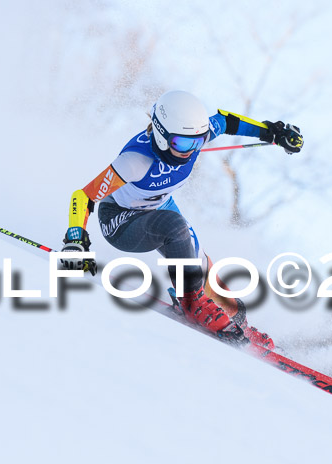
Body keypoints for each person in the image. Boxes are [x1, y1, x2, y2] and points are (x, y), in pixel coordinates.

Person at [58, 90, 303, 348]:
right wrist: (76, 240)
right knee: (174, 227)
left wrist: (273, 132)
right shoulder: (135, 161)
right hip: (120, 219)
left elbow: (227, 121)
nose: (191, 151)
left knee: (202, 266)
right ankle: (191, 302)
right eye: (184, 144)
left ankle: (238, 324)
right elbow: (83, 196)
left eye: (197, 142)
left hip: (158, 206)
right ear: (162, 137)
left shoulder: (192, 134)